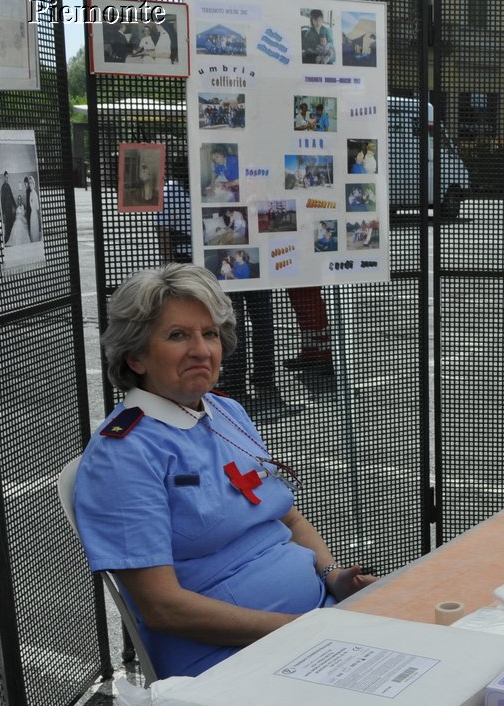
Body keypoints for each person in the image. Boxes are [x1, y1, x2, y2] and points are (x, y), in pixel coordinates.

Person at [72, 264, 375, 678]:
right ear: (135, 357)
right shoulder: (123, 455)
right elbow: (163, 608)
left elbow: (286, 516)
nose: (202, 350)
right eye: (178, 335)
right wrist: (297, 631)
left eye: (209, 334)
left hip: (314, 627)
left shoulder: (226, 411)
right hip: (227, 663)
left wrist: (334, 576)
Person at [0, 171, 16, 245]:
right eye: (6, 177)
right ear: (4, 177)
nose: (7, 178)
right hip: (6, 210)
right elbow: (2, 200)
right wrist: (3, 213)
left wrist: (15, 206)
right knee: (7, 225)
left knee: (11, 223)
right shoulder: (3, 187)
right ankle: (6, 240)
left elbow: (12, 196)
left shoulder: (8, 186)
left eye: (8, 177)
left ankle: (11, 239)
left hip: (10, 209)